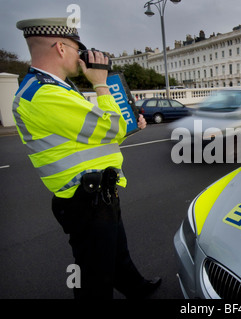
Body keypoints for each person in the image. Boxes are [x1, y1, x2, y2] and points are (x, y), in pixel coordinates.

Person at [13, 17, 161, 299]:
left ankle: (137, 289)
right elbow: (111, 127)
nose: (81, 56)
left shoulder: (57, 88)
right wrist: (101, 84)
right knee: (93, 278)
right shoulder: (44, 95)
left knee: (117, 253)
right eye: (76, 48)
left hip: (99, 192)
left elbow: (101, 136)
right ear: (60, 48)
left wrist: (129, 127)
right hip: (84, 200)